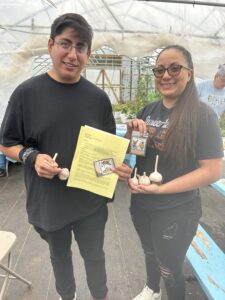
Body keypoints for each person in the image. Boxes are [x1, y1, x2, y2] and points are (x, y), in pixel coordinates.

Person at [0, 13, 131, 300]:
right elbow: (6, 143)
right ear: (50, 45)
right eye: (65, 44)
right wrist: (32, 157)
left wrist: (116, 167)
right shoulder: (26, 94)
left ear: (89, 53)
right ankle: (66, 295)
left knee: (95, 255)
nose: (73, 54)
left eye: (81, 47)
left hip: (90, 200)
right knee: (59, 257)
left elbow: (109, 151)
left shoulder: (98, 99)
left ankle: (101, 295)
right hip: (50, 202)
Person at [126, 45, 223, 300]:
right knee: (149, 251)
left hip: (176, 211)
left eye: (174, 68)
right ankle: (152, 288)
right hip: (141, 203)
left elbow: (213, 170)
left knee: (170, 268)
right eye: (159, 69)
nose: (165, 75)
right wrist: (130, 139)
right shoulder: (148, 110)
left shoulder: (203, 115)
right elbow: (138, 153)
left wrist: (163, 188)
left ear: (189, 73)